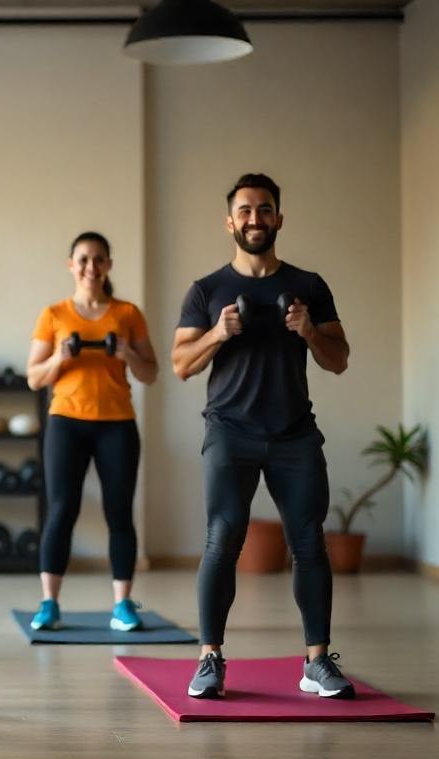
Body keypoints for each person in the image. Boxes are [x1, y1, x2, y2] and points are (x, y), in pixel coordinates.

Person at [172, 173, 354, 700]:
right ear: (230, 221)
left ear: (279, 218)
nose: (256, 219)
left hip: (295, 433)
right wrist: (218, 332)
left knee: (309, 543)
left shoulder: (309, 286)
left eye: (265, 209)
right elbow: (182, 363)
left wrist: (309, 331)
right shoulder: (207, 290)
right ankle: (210, 659)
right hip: (230, 432)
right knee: (222, 538)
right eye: (246, 211)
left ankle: (316, 662)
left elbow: (339, 360)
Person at [25, 232, 158, 632]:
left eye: (98, 259)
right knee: (62, 510)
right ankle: (49, 604)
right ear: (71, 265)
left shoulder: (128, 313)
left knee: (119, 512)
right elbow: (33, 377)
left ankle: (122, 606)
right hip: (67, 422)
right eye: (83, 259)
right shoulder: (54, 314)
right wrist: (60, 359)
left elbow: (150, 372)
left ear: (108, 265)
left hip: (116, 424)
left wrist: (128, 353)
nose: (90, 267)